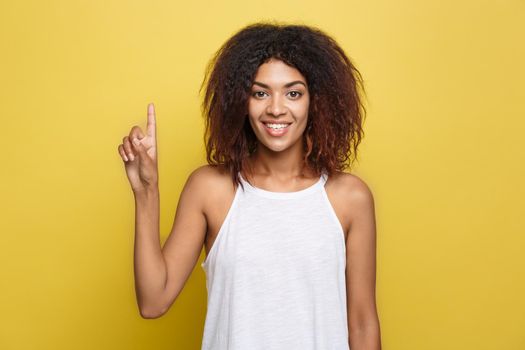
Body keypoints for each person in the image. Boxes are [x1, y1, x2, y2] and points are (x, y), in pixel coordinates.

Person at [117, 22, 381, 350]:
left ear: (316, 101)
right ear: (241, 101)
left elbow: (362, 323)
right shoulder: (210, 190)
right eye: (260, 93)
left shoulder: (350, 198)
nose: (275, 108)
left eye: (293, 93)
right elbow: (153, 301)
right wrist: (146, 192)